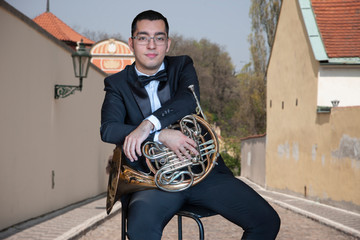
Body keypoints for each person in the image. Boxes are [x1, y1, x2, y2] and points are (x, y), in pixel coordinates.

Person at [100, 10, 280, 240]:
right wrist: (161, 135)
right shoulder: (117, 84)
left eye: (159, 37)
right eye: (143, 37)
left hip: (203, 175)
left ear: (168, 43)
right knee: (140, 230)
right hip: (153, 184)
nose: (152, 45)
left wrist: (148, 125)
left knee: (267, 221)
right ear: (131, 43)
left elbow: (187, 100)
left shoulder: (182, 65)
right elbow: (109, 129)